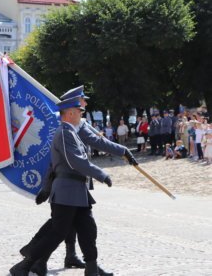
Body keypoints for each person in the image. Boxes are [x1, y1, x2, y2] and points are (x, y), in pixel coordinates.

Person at [18, 86, 138, 276]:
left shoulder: (75, 126)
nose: (85, 105)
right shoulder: (70, 129)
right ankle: (32, 261)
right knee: (59, 229)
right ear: (73, 107)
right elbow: (69, 160)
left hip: (76, 184)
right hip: (67, 184)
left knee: (83, 227)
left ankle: (83, 263)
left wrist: (123, 151)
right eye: (82, 102)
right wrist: (48, 188)